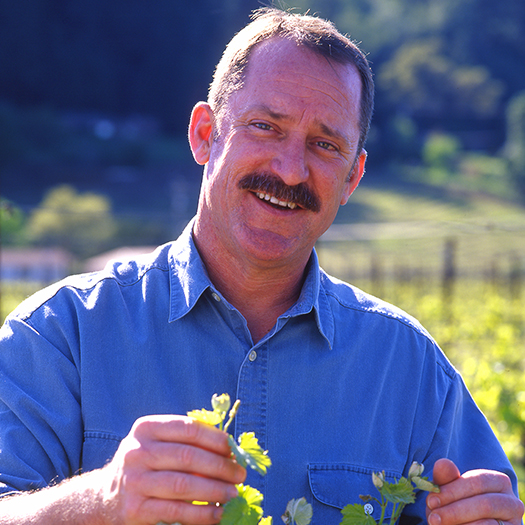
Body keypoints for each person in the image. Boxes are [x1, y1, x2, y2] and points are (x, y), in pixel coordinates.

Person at [0, 7, 523, 525]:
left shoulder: (410, 370)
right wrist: (101, 501)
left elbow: (489, 509)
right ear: (205, 134)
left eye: (325, 145)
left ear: (352, 178)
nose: (290, 169)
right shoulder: (61, 335)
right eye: (265, 127)